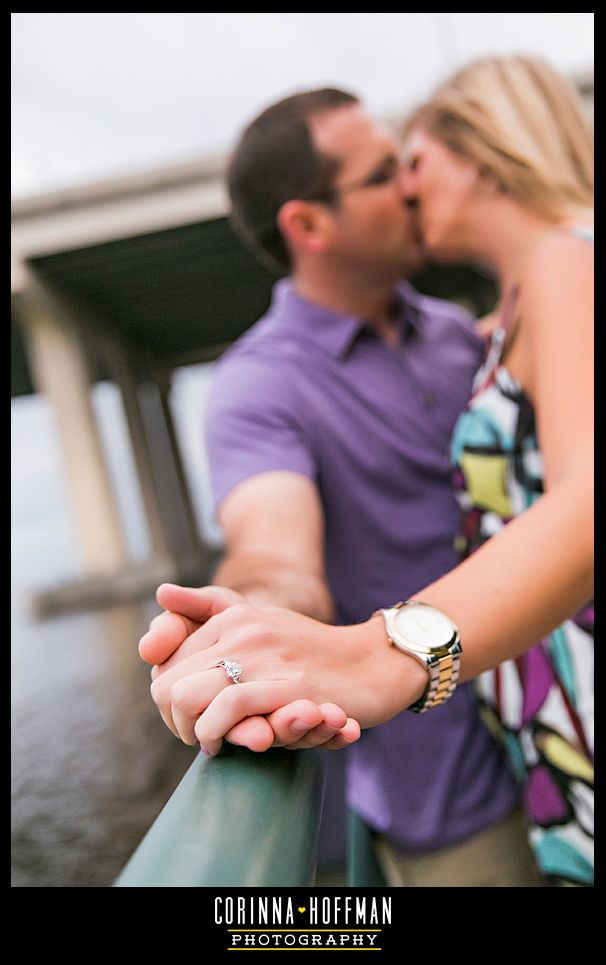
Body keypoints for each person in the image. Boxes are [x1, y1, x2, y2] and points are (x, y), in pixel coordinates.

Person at [139, 61, 593, 885]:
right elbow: (272, 548)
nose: (411, 187)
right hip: (447, 781)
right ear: (310, 224)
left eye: (414, 162)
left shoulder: (466, 329)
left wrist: (382, 653)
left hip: (542, 716)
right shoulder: (260, 381)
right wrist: (251, 619)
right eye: (386, 174)